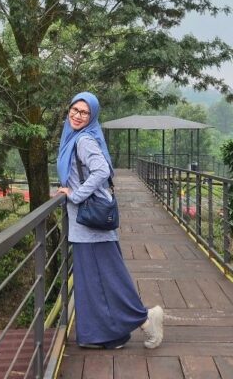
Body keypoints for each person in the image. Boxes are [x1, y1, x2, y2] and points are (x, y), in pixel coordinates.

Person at [55, 91, 164, 349]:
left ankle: (147, 319)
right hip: (86, 226)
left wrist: (76, 195)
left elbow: (102, 171)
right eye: (75, 109)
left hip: (91, 225)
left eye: (85, 112)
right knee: (92, 282)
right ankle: (108, 335)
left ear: (92, 116)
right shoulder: (76, 138)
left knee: (110, 280)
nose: (78, 115)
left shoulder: (83, 141)